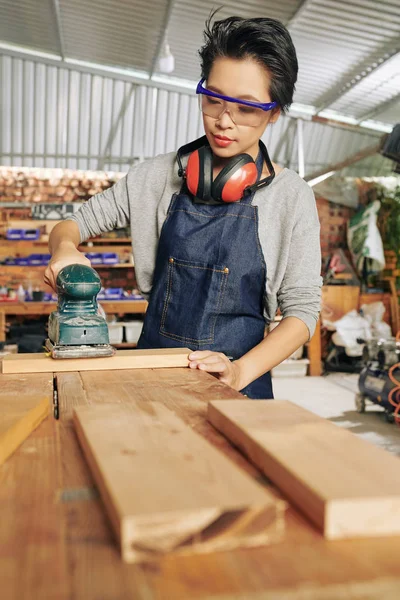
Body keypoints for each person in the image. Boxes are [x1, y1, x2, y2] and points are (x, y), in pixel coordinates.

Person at [44, 15, 322, 399]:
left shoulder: (291, 197)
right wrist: (64, 249)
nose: (224, 121)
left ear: (275, 112)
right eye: (213, 99)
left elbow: (303, 311)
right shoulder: (156, 177)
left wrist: (240, 371)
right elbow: (72, 225)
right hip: (150, 376)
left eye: (246, 108)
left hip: (240, 385)